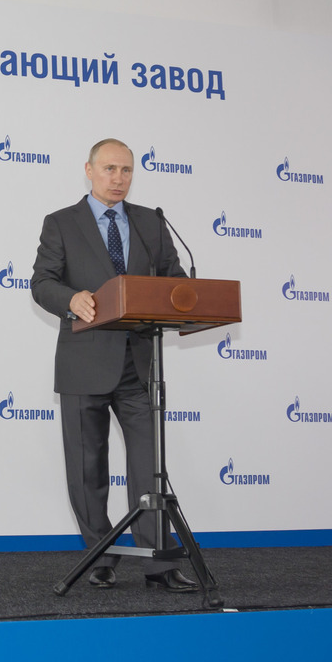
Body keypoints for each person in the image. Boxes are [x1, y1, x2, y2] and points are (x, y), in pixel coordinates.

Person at [30, 138, 198, 593]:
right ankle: (98, 556)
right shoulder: (61, 223)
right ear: (88, 170)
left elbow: (174, 281)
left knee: (149, 467)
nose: (118, 178)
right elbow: (41, 282)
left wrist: (183, 298)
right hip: (84, 360)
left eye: (126, 170)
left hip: (138, 363)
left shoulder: (150, 222)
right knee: (88, 469)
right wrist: (70, 299)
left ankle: (158, 563)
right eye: (109, 169)